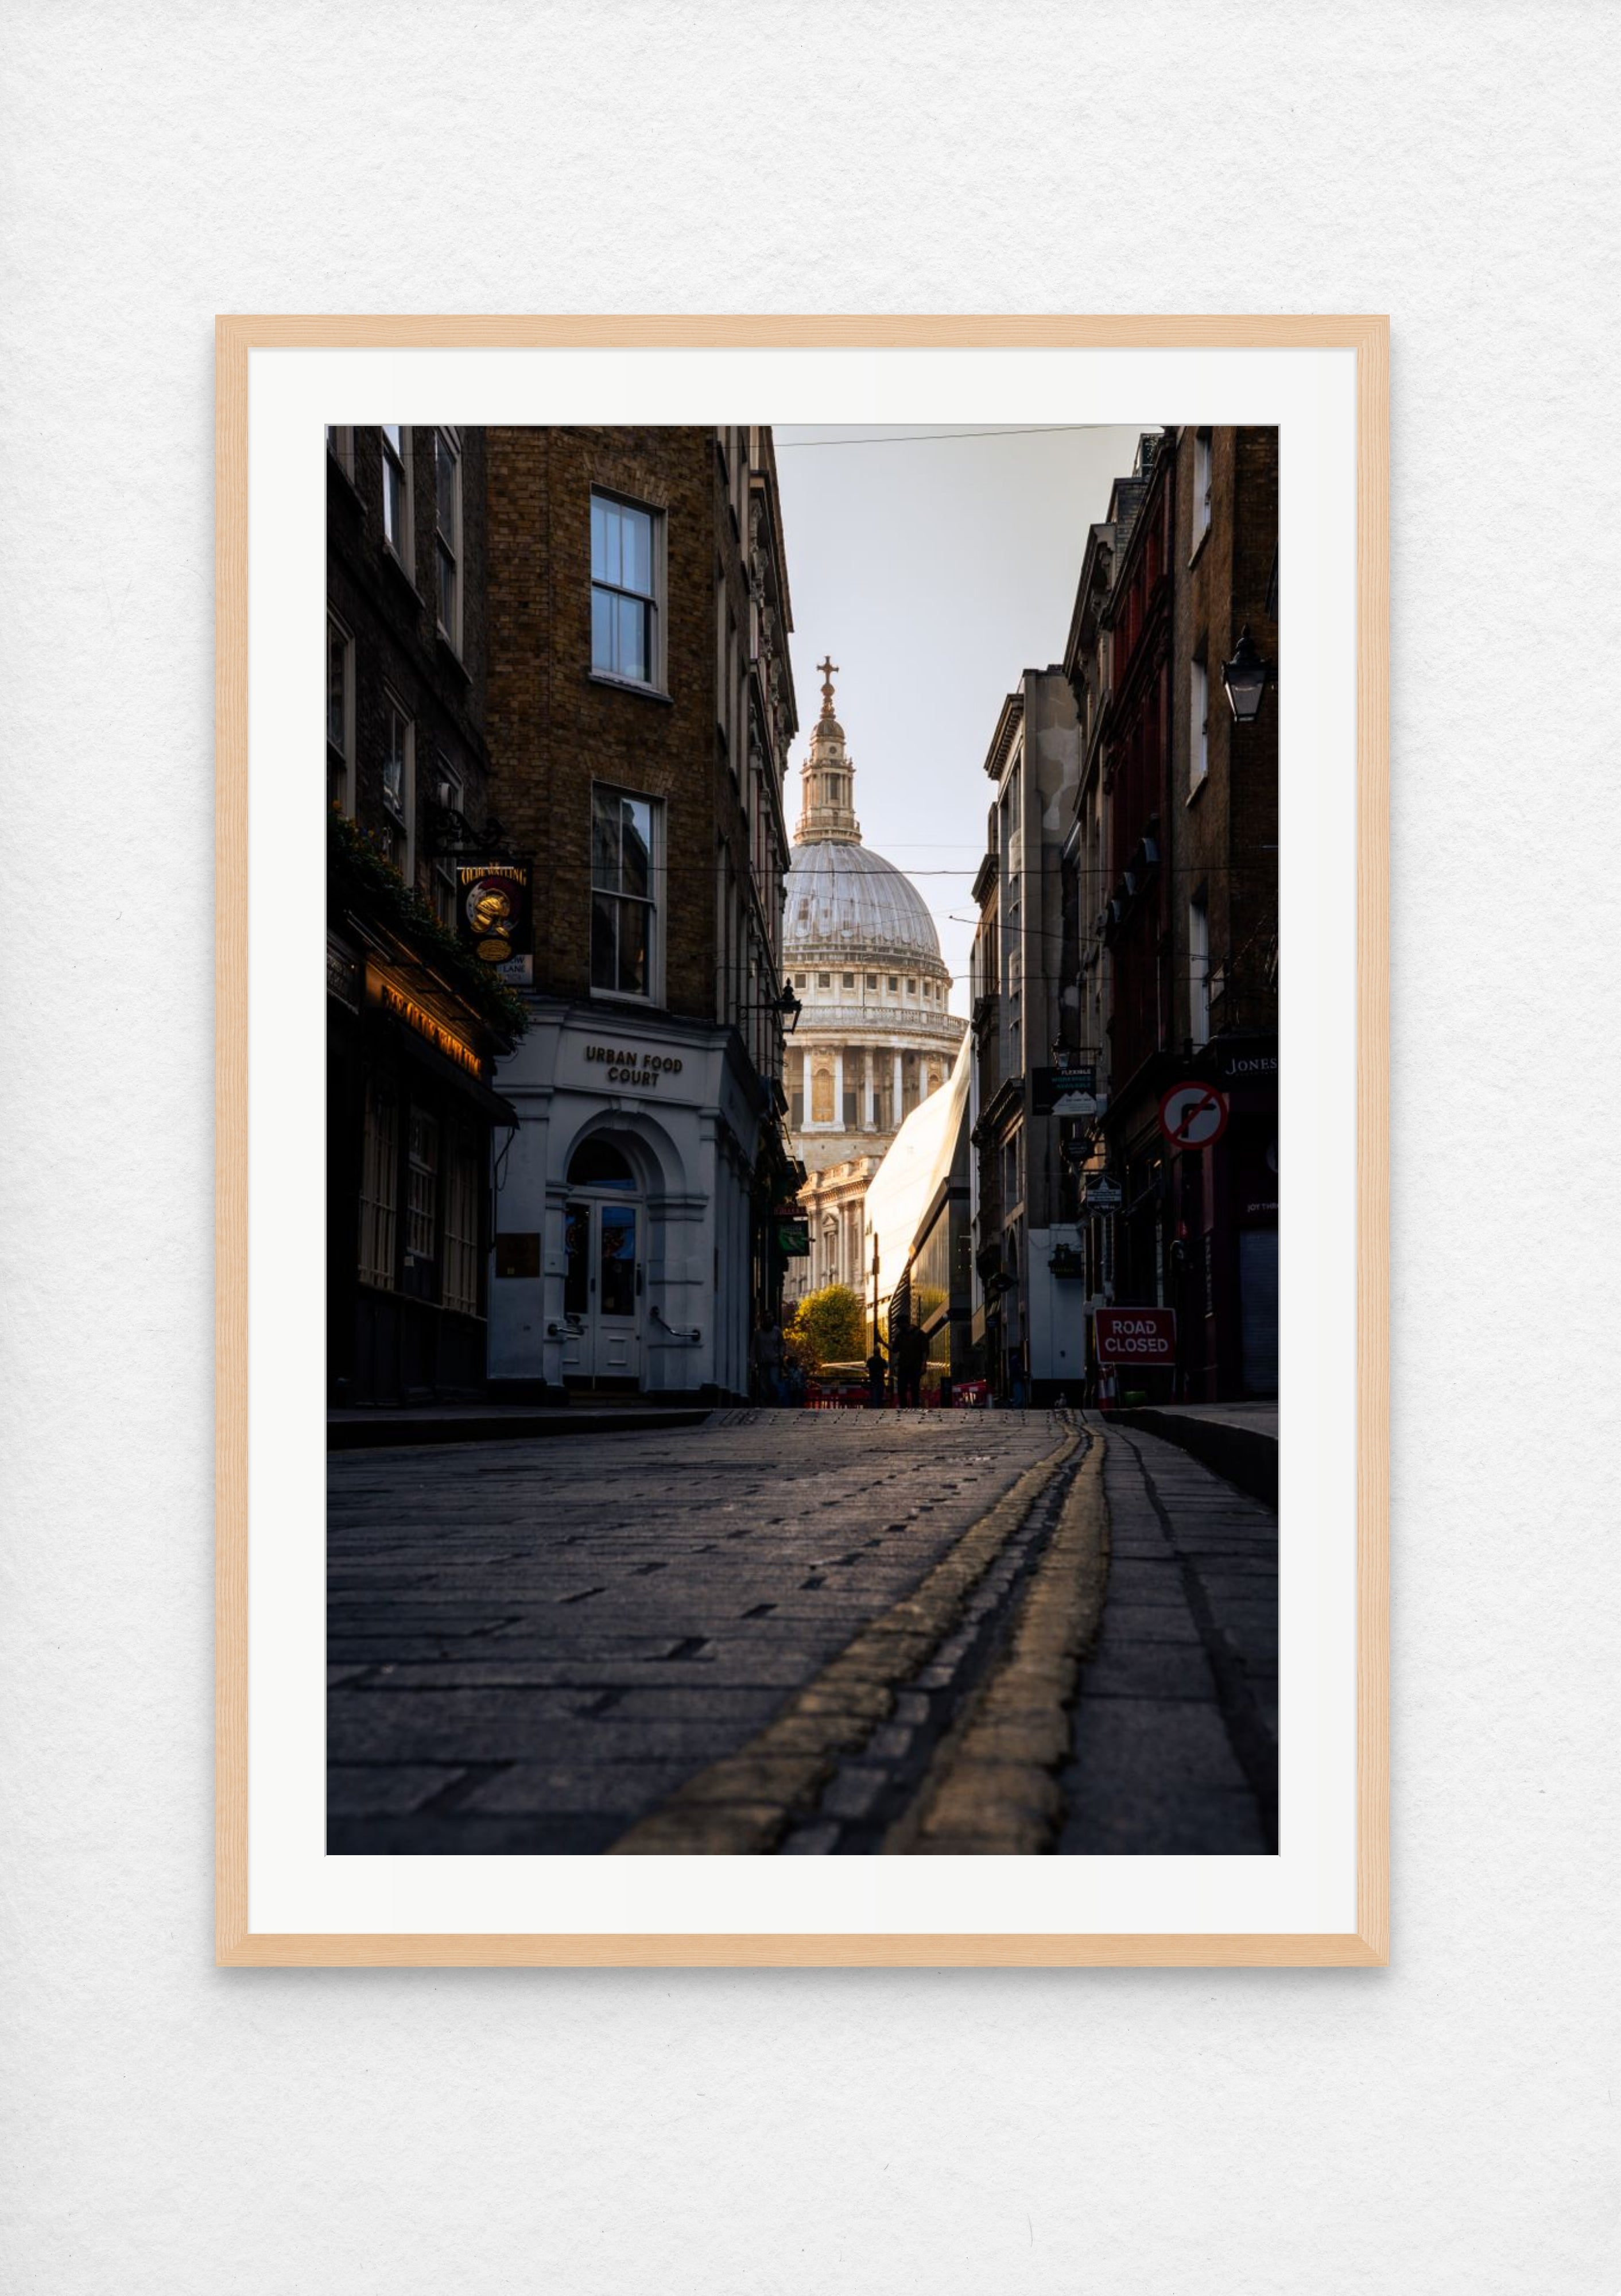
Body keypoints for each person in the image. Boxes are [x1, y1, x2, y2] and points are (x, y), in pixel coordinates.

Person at [751, 1311, 785, 1405]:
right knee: (763, 1384)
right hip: (762, 1362)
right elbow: (754, 1348)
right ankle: (766, 1402)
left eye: (770, 1318)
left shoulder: (777, 1332)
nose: (769, 1320)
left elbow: (782, 1344)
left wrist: (781, 1354)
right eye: (767, 1318)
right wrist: (753, 1362)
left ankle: (776, 1400)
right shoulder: (758, 1333)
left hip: (774, 1361)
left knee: (774, 1381)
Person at [896, 1318, 929, 1409]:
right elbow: (895, 1349)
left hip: (915, 1366)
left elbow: (924, 1351)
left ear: (905, 1324)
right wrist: (882, 1342)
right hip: (905, 1366)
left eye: (899, 1326)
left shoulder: (919, 1334)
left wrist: (924, 1364)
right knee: (902, 1388)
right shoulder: (900, 1335)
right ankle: (905, 1406)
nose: (899, 1328)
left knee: (914, 1387)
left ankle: (914, 1406)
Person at [866, 1337, 888, 1409]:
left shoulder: (870, 1360)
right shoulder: (883, 1360)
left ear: (874, 1352)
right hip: (881, 1380)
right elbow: (885, 1370)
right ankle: (880, 1407)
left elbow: (867, 1370)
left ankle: (874, 1407)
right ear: (879, 1352)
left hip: (873, 1380)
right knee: (880, 1396)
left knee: (874, 1395)